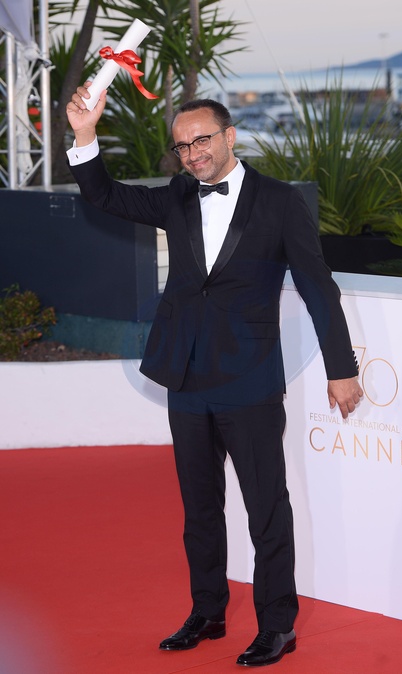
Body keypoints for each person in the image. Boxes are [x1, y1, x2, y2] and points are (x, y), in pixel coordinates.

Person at [66, 84, 363, 667]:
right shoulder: (178, 196)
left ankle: (277, 625)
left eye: (202, 140)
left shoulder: (279, 201)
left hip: (249, 380)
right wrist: (84, 133)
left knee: (266, 509)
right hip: (187, 377)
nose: (192, 153)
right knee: (199, 509)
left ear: (230, 136)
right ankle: (207, 612)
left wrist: (341, 369)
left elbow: (317, 287)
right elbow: (103, 194)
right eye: (182, 146)